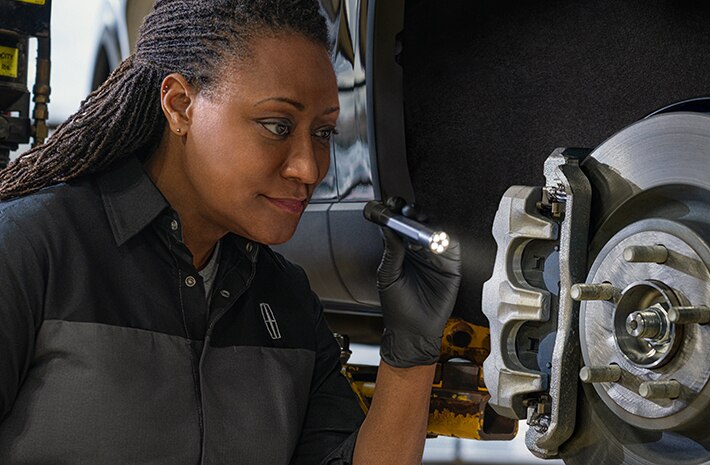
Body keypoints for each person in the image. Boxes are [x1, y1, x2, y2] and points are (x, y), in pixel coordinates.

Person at [0, 0, 461, 463]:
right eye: (277, 126)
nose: (308, 168)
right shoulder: (29, 250)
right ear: (180, 105)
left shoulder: (287, 298)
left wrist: (411, 352)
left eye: (323, 133)